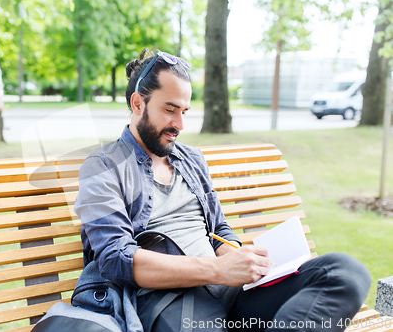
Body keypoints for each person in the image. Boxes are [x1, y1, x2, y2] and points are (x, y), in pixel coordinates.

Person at [74, 49, 371, 331]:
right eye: (169, 109)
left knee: (344, 273)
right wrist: (217, 270)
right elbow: (116, 259)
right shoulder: (103, 166)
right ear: (138, 104)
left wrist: (244, 260)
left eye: (184, 111)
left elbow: (218, 229)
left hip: (232, 292)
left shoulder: (191, 159)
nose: (179, 123)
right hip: (170, 302)